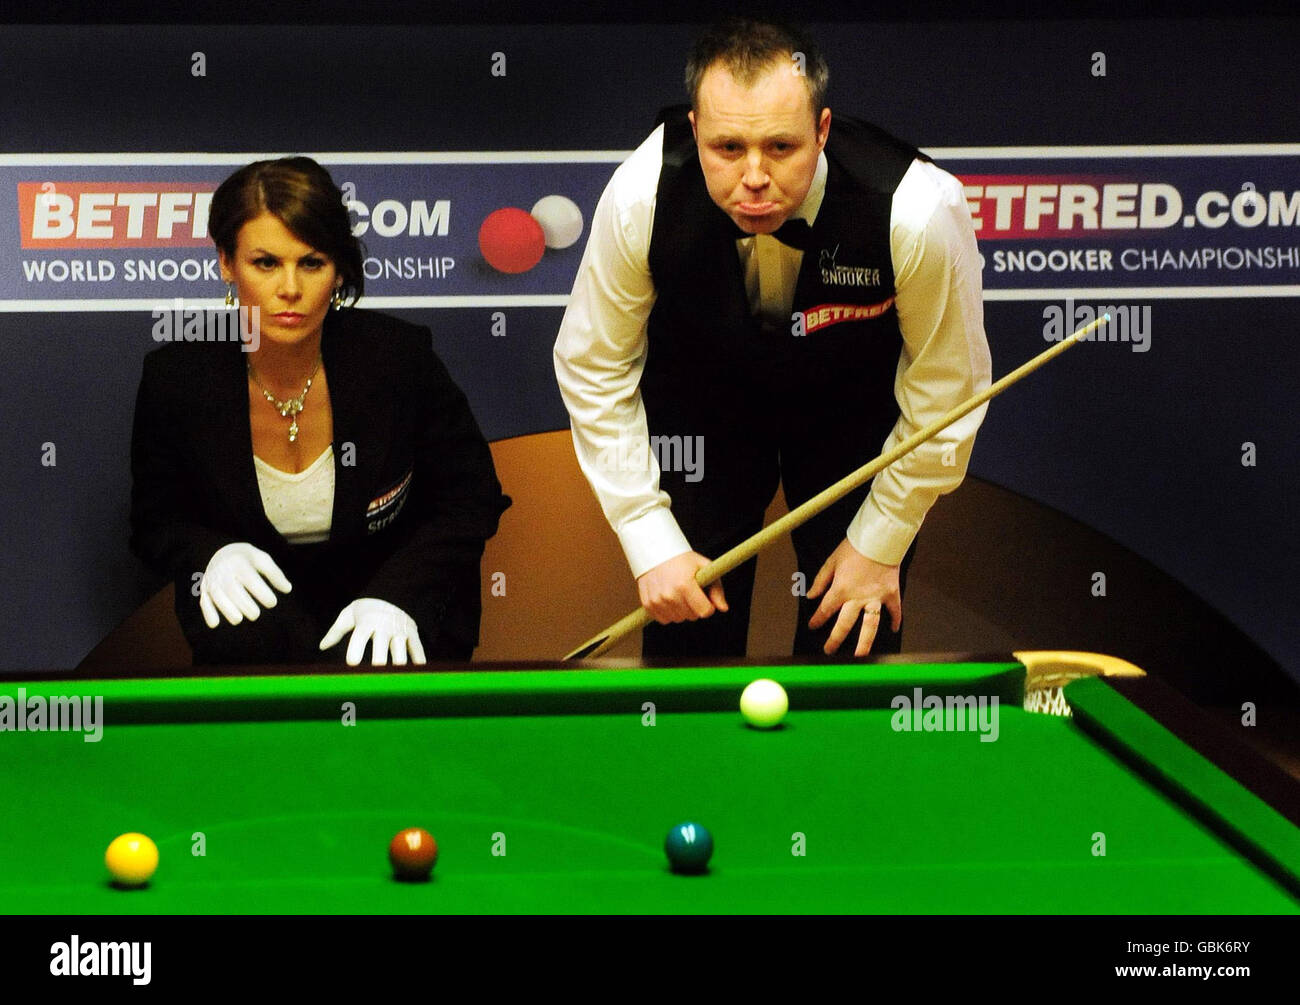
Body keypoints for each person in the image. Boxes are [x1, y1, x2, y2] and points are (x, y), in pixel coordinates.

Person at [553, 18, 992, 660]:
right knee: (687, 633)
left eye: (780, 147)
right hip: (704, 409)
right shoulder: (642, 193)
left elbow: (947, 387)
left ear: (822, 131)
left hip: (853, 418)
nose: (753, 177)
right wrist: (647, 536)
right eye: (728, 148)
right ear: (696, 131)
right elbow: (593, 366)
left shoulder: (915, 208)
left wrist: (883, 538)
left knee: (853, 631)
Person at [130, 156, 509, 666]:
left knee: (384, 661)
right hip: (257, 642)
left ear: (337, 268)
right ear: (226, 262)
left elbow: (471, 498)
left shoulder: (398, 359)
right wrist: (207, 554)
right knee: (248, 636)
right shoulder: (177, 379)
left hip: (391, 617)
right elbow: (154, 520)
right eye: (266, 263)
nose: (291, 288)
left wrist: (399, 594)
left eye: (311, 262)